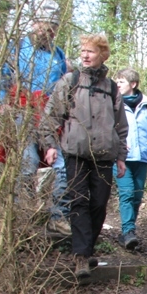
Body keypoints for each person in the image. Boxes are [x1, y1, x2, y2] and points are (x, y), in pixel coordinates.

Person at [40, 33, 128, 279]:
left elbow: (121, 126)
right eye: (83, 51)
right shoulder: (70, 81)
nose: (85, 55)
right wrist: (50, 145)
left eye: (91, 51)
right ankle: (81, 257)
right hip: (75, 152)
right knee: (78, 201)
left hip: (103, 155)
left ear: (102, 55)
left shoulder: (111, 88)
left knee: (99, 204)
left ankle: (86, 251)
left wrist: (121, 156)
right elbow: (50, 116)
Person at [0, 0, 70, 235]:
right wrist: (1, 104)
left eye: (52, 27)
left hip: (48, 118)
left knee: (61, 166)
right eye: (44, 24)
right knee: (25, 167)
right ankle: (22, 218)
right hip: (21, 112)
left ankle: (58, 217)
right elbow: (1, 80)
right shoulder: (16, 49)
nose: (47, 30)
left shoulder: (59, 55)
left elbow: (62, 89)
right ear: (34, 22)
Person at [113, 67, 147, 250]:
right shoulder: (115, 104)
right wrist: (116, 145)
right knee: (126, 193)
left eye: (121, 81)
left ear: (133, 84)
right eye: (117, 81)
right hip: (121, 158)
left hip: (142, 158)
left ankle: (129, 230)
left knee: (136, 196)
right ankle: (128, 232)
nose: (117, 84)